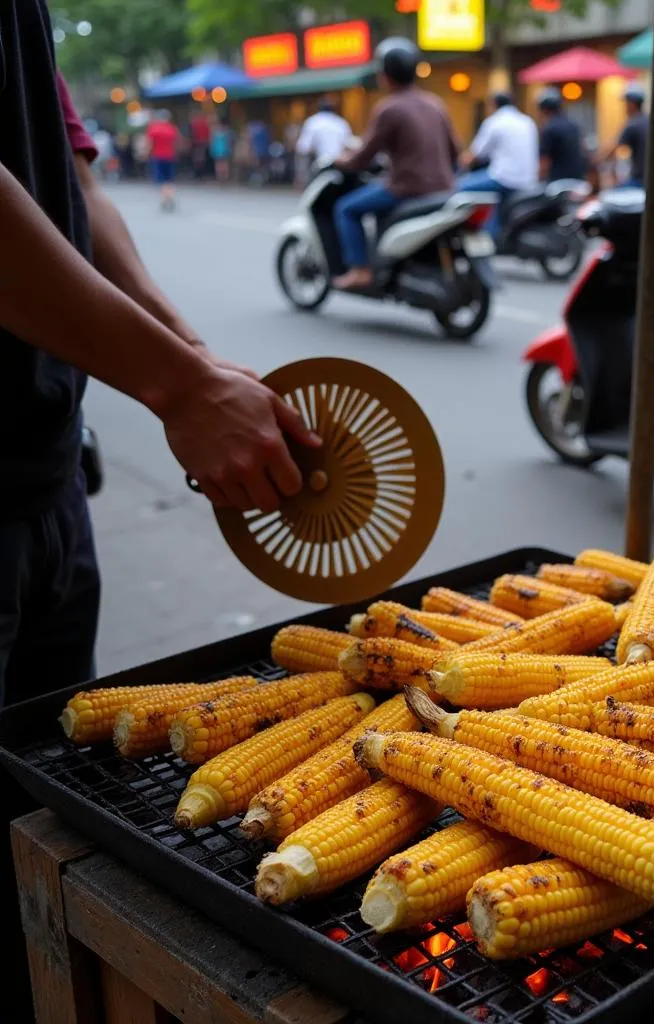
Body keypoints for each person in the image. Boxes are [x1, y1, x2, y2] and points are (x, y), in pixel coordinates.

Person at [1, 12, 318, 1015]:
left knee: (35, 823)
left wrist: (194, 357)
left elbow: (67, 188)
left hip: (45, 480)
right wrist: (178, 389)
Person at [332, 38, 460, 291]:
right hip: (445, 188)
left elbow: (363, 157)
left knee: (346, 208)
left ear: (385, 75)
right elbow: (455, 151)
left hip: (406, 189)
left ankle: (360, 270)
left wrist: (341, 160)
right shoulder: (436, 104)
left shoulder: (388, 108)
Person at [596, 84, 654, 263]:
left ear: (632, 103)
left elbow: (613, 149)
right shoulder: (652, 121)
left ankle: (616, 243)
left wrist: (597, 159)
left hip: (640, 180)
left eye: (626, 103)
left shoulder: (633, 124)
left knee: (615, 202)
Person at [458, 90, 539, 239]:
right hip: (528, 180)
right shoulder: (527, 121)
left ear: (493, 104)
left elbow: (476, 154)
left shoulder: (495, 122)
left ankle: (486, 237)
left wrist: (462, 162)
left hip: (503, 177)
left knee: (460, 187)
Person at [537, 88, 588, 182]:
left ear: (543, 109)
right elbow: (583, 151)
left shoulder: (549, 128)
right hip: (579, 179)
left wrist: (539, 179)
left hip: (557, 181)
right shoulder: (573, 125)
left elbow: (545, 160)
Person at [296, 97, 353, 176]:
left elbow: (303, 148)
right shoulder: (341, 122)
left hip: (321, 165)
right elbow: (349, 145)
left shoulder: (313, 122)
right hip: (340, 166)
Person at [146, 109, 180, 210]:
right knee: (169, 179)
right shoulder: (172, 129)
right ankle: (168, 196)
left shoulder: (154, 129)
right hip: (170, 156)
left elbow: (150, 144)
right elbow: (176, 143)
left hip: (158, 156)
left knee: (161, 179)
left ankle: (166, 198)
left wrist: (147, 154)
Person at [189, 107, 211, 180]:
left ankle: (198, 174)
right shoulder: (205, 122)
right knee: (202, 158)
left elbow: (192, 134)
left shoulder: (194, 123)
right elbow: (208, 132)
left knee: (198, 158)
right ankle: (201, 173)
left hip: (197, 143)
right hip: (204, 142)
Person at [211, 118, 234, 183]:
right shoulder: (226, 132)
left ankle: (220, 176)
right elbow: (230, 142)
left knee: (219, 163)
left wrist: (212, 149)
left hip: (218, 150)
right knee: (224, 163)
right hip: (224, 149)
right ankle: (225, 176)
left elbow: (213, 142)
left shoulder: (215, 132)